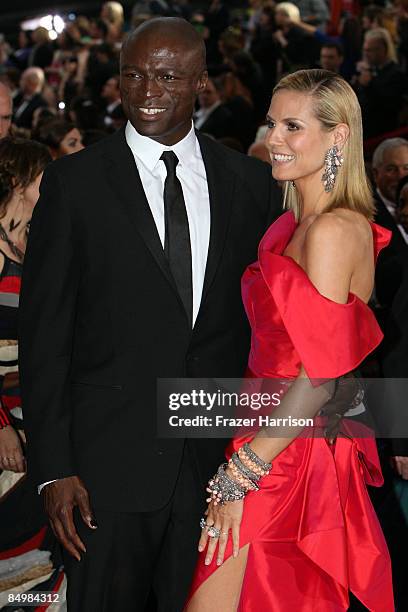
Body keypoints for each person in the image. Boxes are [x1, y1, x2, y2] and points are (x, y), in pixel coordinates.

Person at [19, 17, 281, 612]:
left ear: (201, 85)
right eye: (133, 75)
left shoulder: (251, 184)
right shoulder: (73, 184)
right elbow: (45, 337)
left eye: (167, 76)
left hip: (217, 470)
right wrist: (53, 468)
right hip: (104, 474)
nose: (146, 91)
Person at [187, 69, 394, 611]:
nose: (274, 139)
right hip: (267, 429)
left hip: (284, 448)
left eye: (292, 126)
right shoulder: (293, 221)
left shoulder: (330, 231)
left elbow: (323, 375)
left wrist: (245, 470)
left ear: (338, 136)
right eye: (271, 123)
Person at [0, 137, 57, 590]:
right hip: (5, 425)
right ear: (19, 183)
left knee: (34, 562)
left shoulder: (32, 244)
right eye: (43, 178)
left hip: (33, 419)